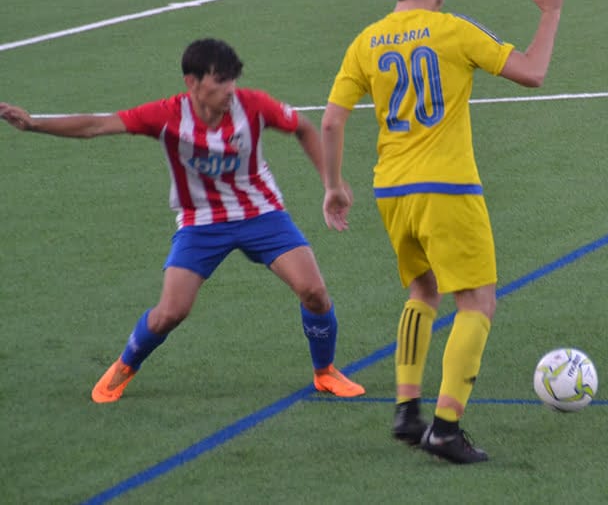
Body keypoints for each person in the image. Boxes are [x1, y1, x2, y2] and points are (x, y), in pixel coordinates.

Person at [0, 38, 365, 403]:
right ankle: (125, 365)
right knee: (170, 313)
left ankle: (325, 372)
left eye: (232, 81)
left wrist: (331, 185)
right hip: (201, 221)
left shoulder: (252, 106)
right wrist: (34, 124)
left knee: (314, 292)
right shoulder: (166, 116)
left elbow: (303, 127)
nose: (229, 91)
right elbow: (96, 125)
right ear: (192, 82)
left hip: (261, 213)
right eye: (219, 82)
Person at [321, 0, 568, 464]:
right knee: (476, 301)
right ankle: (447, 428)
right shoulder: (453, 32)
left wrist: (335, 186)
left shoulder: (366, 41)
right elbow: (533, 71)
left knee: (421, 290)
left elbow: (332, 120)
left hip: (392, 190)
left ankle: (407, 411)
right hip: (448, 187)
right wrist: (550, 12)